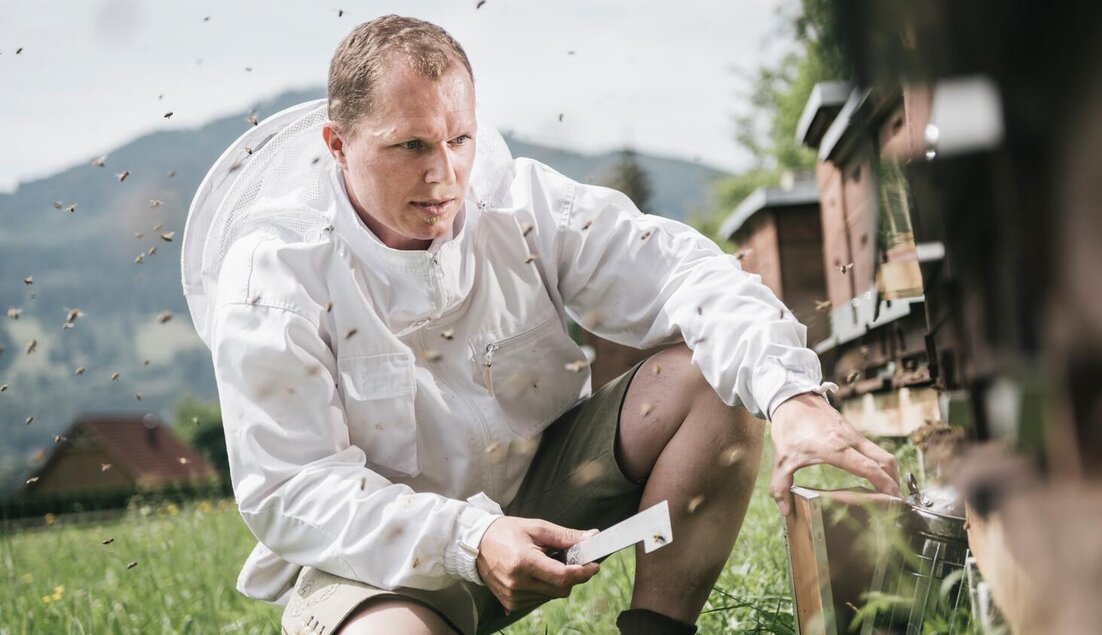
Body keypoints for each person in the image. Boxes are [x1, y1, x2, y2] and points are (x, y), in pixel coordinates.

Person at [182, 14, 899, 635]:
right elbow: (294, 487)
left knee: (711, 376)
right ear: (337, 145)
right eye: (411, 147)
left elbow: (688, 273)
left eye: (457, 139)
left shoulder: (519, 203)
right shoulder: (274, 275)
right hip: (379, 563)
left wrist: (795, 399)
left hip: (540, 493)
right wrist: (470, 536)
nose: (445, 177)